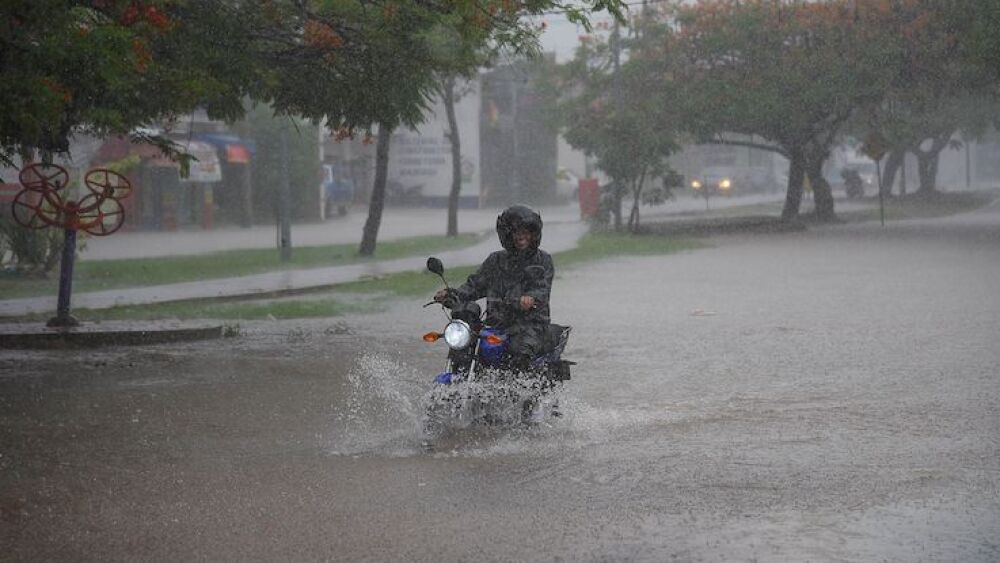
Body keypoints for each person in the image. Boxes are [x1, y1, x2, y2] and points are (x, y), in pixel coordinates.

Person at [434, 205, 554, 371]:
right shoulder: (495, 261)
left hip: (529, 325)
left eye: (526, 231)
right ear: (507, 235)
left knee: (520, 352)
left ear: (534, 234)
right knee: (465, 348)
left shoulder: (543, 260)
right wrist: (451, 294)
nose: (521, 236)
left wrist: (530, 298)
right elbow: (474, 285)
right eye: (516, 232)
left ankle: (524, 392)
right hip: (496, 325)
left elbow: (541, 288)